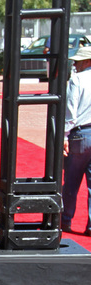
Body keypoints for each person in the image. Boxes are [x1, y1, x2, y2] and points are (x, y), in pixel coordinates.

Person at [63, 46, 91, 235]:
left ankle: (65, 219)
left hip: (80, 133)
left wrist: (64, 135)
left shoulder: (77, 79)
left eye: (78, 61)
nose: (75, 64)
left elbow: (70, 110)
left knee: (72, 181)